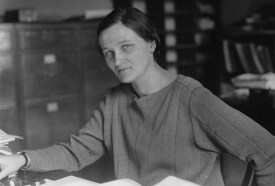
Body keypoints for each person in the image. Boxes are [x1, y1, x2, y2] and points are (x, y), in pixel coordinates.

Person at [0, 7, 274, 186]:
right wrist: (20, 160)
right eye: (109, 53)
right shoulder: (115, 100)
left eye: (126, 47)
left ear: (152, 44)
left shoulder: (192, 98)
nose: (117, 60)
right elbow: (77, 151)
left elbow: (268, 152)